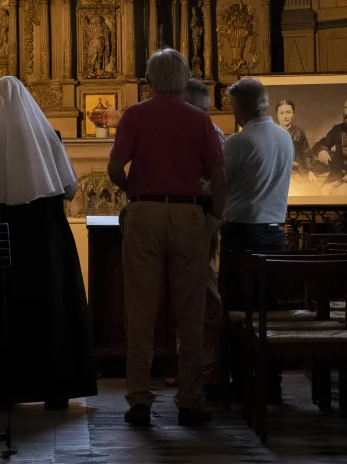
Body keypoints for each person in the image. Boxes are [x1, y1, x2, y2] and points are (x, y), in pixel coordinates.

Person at [108, 50, 226, 428]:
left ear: (149, 79)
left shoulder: (134, 115)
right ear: (183, 78)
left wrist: (134, 191)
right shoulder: (199, 119)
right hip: (188, 214)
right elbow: (218, 175)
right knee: (190, 314)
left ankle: (140, 400)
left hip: (145, 213)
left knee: (140, 312)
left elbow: (114, 168)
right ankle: (189, 401)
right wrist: (215, 219)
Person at [0, 75, 96, 408]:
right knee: (53, 306)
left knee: (9, 310)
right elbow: (70, 187)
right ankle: (56, 390)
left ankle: (8, 390)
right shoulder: (50, 138)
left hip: (4, 240)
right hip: (48, 237)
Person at [221, 78, 294, 403]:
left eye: (233, 106)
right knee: (269, 311)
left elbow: (219, 183)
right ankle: (271, 384)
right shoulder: (284, 137)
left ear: (242, 108)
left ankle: (241, 383)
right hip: (275, 233)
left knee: (238, 311)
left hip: (242, 233)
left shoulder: (239, 141)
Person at [183, 78, 225, 399]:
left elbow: (219, 182)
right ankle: (190, 368)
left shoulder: (214, 134)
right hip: (188, 222)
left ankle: (209, 370)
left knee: (207, 299)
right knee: (186, 298)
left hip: (203, 223)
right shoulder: (191, 131)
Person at [312, 99, 347, 189]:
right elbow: (320, 144)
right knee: (321, 193)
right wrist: (322, 151)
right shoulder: (337, 129)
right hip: (337, 175)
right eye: (346, 108)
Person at [274, 99, 312, 174]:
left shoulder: (299, 132)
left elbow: (306, 155)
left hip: (297, 170)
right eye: (281, 113)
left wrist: (310, 171)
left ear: (293, 114)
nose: (285, 116)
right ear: (277, 115)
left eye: (288, 112)